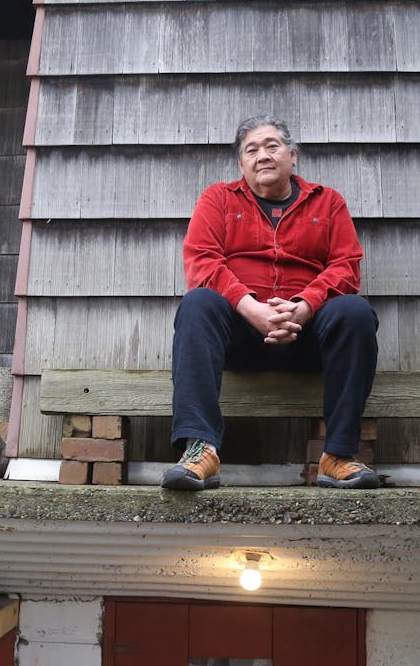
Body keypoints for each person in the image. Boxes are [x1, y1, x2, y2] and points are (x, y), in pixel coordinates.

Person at [162, 115, 380, 491]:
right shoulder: (218, 200)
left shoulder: (327, 203)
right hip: (240, 339)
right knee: (198, 303)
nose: (262, 156)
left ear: (292, 156)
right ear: (241, 164)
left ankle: (338, 455)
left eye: (272, 146)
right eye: (252, 150)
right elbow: (202, 261)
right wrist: (252, 309)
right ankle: (201, 450)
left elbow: (346, 267)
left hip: (309, 337)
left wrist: (305, 305)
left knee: (355, 311)